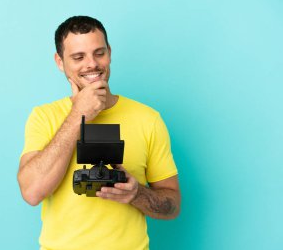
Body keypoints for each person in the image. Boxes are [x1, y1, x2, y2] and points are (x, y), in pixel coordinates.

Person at [17, 16, 181, 250]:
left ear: (110, 53)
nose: (92, 64)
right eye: (78, 57)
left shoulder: (148, 119)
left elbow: (172, 206)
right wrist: (78, 115)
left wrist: (136, 195)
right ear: (60, 62)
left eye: (99, 53)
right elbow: (32, 192)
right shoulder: (44, 117)